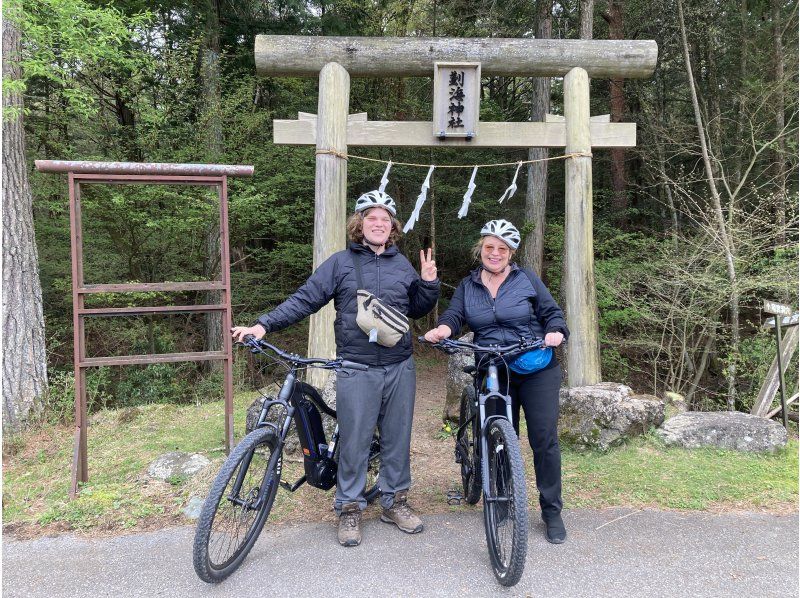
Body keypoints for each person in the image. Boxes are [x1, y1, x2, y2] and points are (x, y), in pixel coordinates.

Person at [232, 190, 440, 547]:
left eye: (385, 219)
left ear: (393, 228)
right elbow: (305, 299)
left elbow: (416, 309)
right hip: (356, 367)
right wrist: (263, 325)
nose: (378, 224)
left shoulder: (402, 264)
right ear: (359, 224)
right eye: (371, 218)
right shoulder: (341, 263)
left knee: (397, 438)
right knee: (355, 441)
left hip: (399, 366)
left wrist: (429, 283)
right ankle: (349, 509)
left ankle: (394, 502)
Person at [423, 219, 569, 544]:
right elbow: (454, 316)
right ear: (481, 249)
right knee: (500, 440)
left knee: (544, 439)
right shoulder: (468, 285)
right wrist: (443, 330)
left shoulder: (526, 279)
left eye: (502, 249)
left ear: (511, 253)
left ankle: (551, 511)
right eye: (489, 247)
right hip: (492, 366)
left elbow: (552, 313)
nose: (495, 253)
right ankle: (502, 501)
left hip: (534, 365)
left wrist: (555, 332)